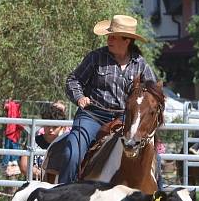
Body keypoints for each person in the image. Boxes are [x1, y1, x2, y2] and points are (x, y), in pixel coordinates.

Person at [61, 14, 157, 183]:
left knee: (154, 158)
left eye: (113, 37)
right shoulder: (95, 58)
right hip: (92, 116)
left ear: (127, 41)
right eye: (109, 36)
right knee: (73, 152)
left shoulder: (140, 64)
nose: (109, 40)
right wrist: (79, 97)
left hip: (125, 119)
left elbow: (153, 93)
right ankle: (64, 194)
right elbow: (73, 80)